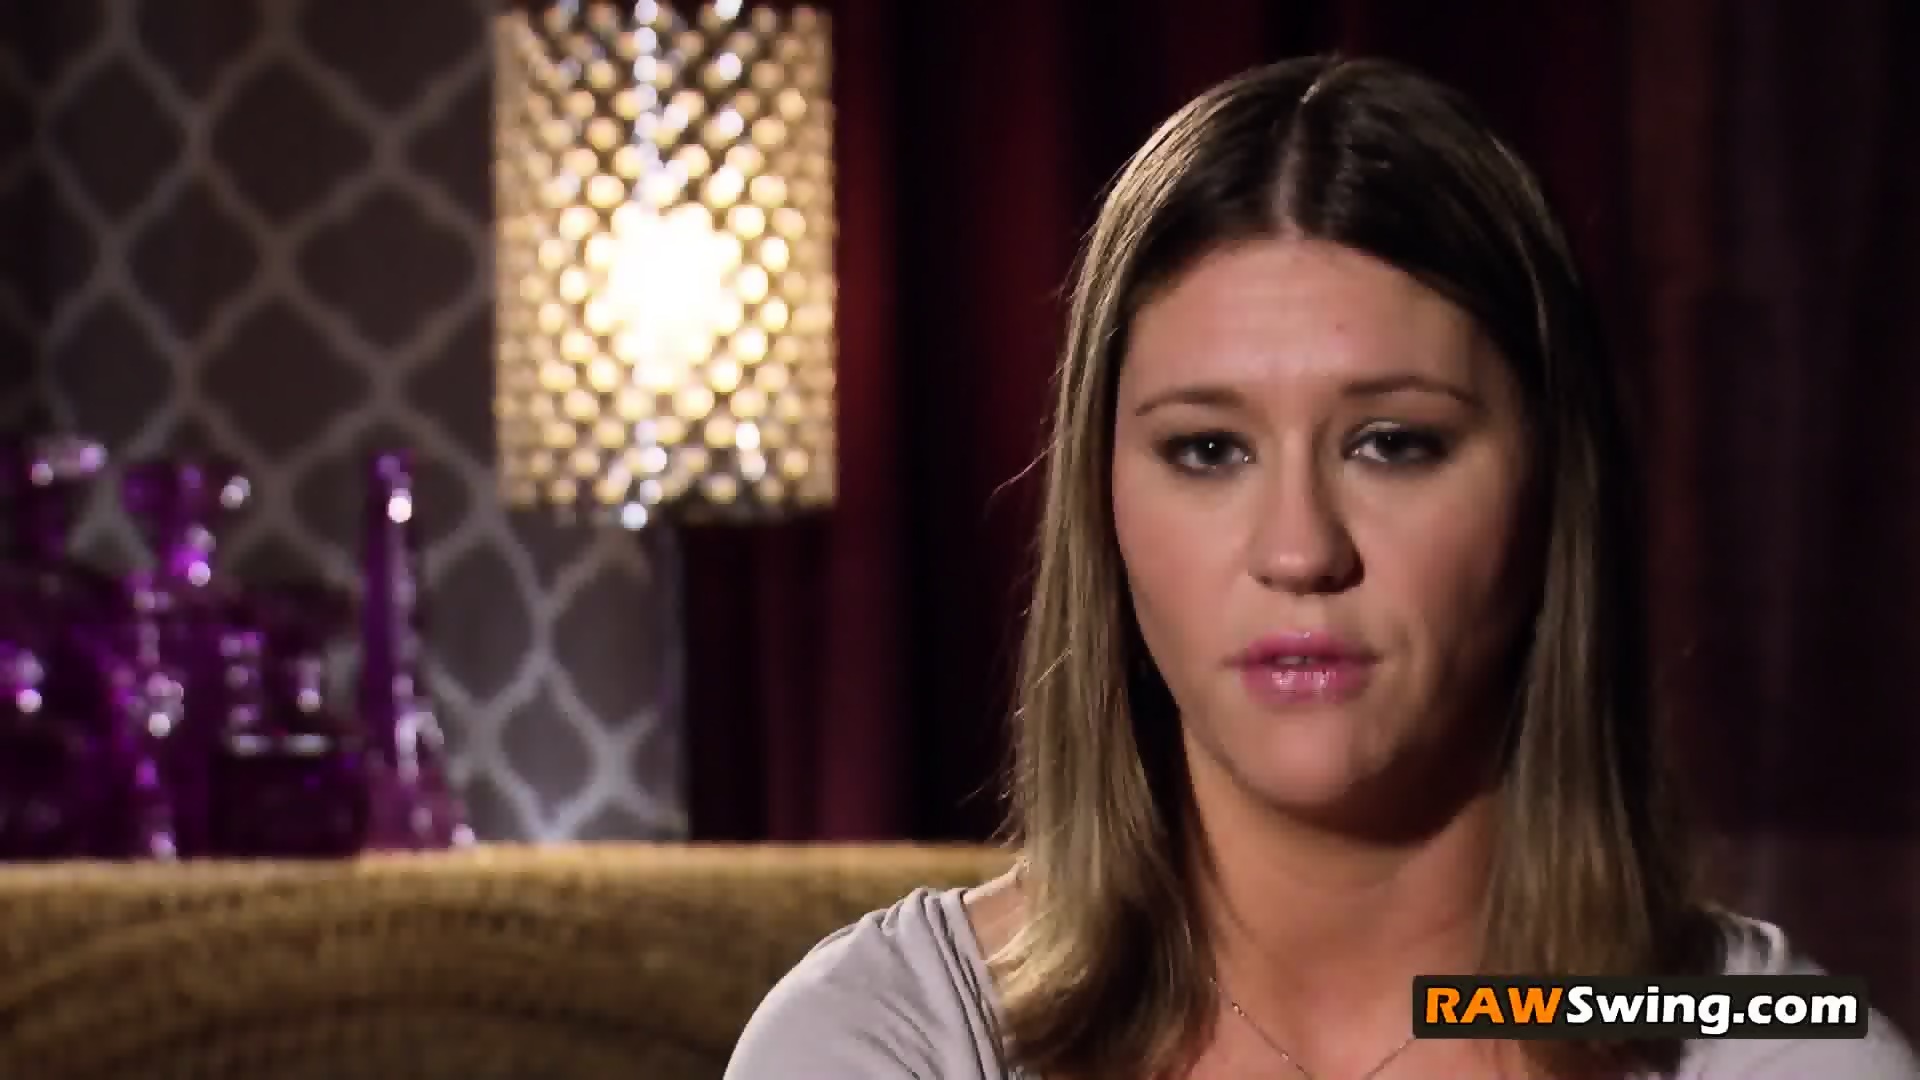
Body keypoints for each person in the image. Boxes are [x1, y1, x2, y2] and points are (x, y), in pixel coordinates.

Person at [723, 55, 1920, 1079]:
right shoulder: (887, 1042)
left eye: (1393, 443)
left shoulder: (1763, 1047)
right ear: (1102, 502)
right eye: (1208, 450)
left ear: (1554, 489)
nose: (1299, 550)